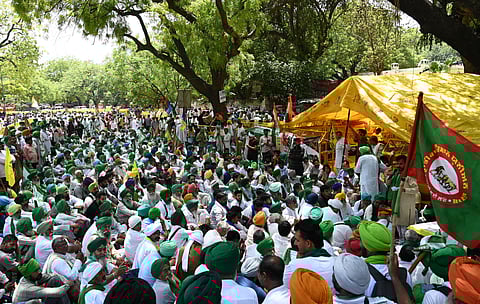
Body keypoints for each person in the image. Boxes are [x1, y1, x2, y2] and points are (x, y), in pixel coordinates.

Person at [283, 219, 334, 290]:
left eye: (298, 240)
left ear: (308, 243)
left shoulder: (294, 267)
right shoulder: (335, 263)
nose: (295, 243)